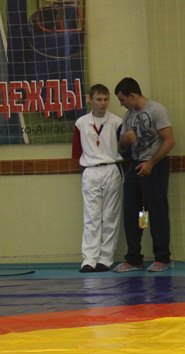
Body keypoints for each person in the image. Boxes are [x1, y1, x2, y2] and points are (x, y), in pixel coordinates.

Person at [112, 78, 175, 273]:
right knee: (136, 212)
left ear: (132, 96)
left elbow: (169, 141)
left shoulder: (156, 110)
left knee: (156, 211)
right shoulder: (128, 116)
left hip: (154, 166)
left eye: (122, 100)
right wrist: (125, 139)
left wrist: (151, 163)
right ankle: (134, 258)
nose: (121, 104)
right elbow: (121, 147)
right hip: (136, 165)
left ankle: (162, 257)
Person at [71, 83, 124, 273]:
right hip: (90, 170)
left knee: (110, 216)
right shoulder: (81, 123)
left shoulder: (117, 122)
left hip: (111, 168)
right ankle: (89, 259)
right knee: (91, 216)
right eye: (99, 99)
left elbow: (124, 148)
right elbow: (77, 152)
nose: (103, 103)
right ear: (90, 100)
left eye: (106, 99)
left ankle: (106, 258)